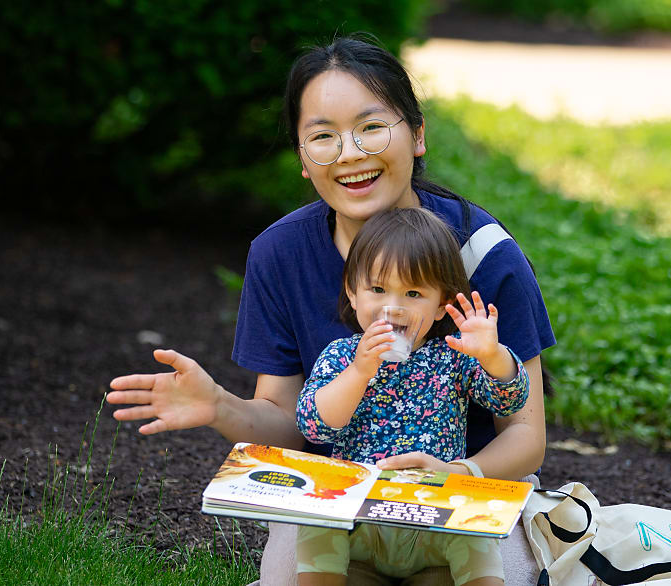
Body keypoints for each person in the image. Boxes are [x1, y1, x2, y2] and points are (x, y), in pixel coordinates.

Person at [106, 36, 555, 585]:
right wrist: (220, 406)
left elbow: (526, 436)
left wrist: (459, 472)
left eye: (371, 127)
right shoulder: (281, 253)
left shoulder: (481, 253)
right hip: (339, 503)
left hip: (466, 498)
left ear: (416, 135)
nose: (350, 154)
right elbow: (292, 425)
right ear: (301, 157)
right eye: (323, 136)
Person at [295, 206, 529, 586]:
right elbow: (314, 426)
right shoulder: (341, 356)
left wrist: (492, 355)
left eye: (414, 292)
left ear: (440, 306)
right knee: (318, 521)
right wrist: (358, 373)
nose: (394, 306)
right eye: (377, 289)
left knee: (476, 530)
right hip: (360, 522)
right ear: (353, 293)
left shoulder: (452, 357)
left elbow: (509, 400)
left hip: (434, 522)